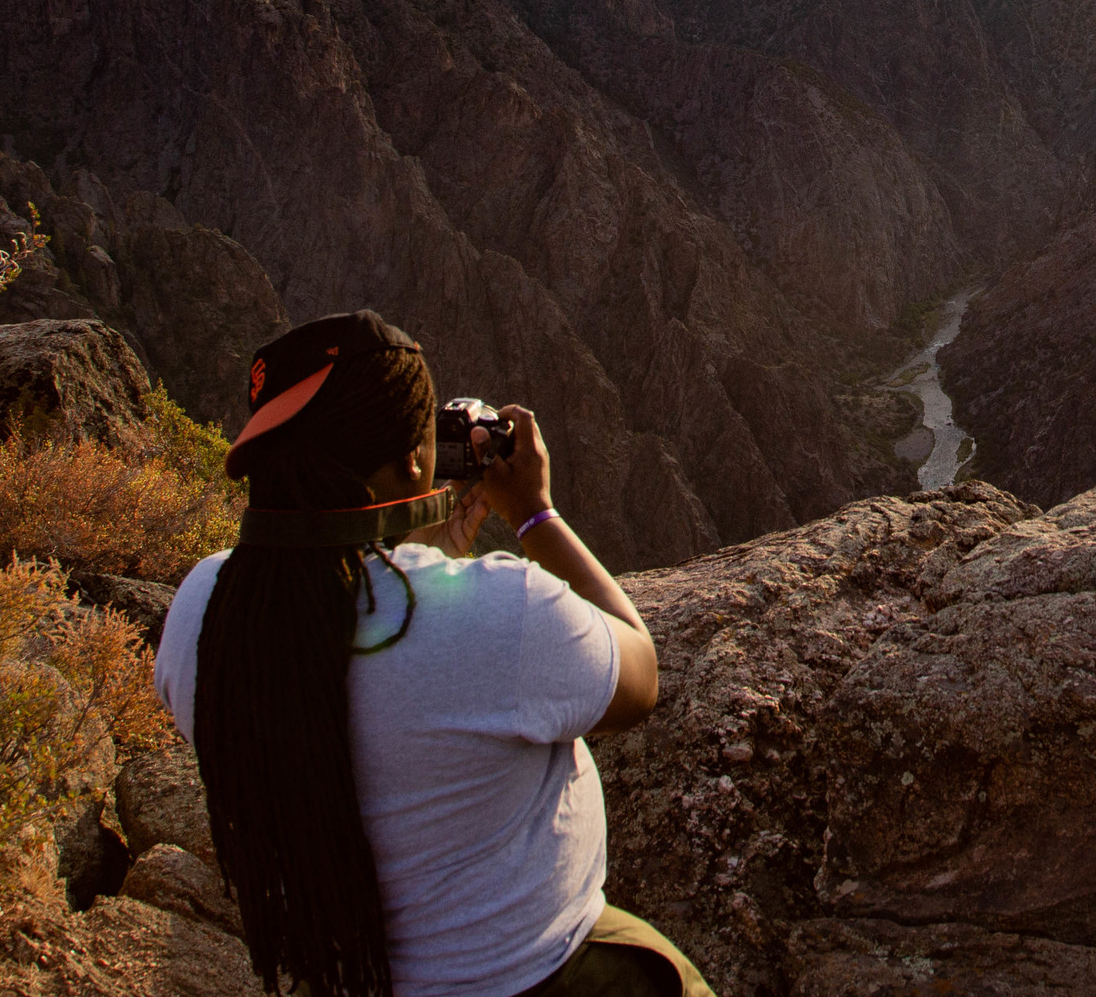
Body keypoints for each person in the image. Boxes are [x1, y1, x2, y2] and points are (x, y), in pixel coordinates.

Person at [152, 310, 713, 997]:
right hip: (537, 974)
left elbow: (350, 664)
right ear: (418, 463)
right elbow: (639, 677)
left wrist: (423, 565)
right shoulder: (501, 613)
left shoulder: (202, 612)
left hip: (341, 978)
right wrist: (535, 513)